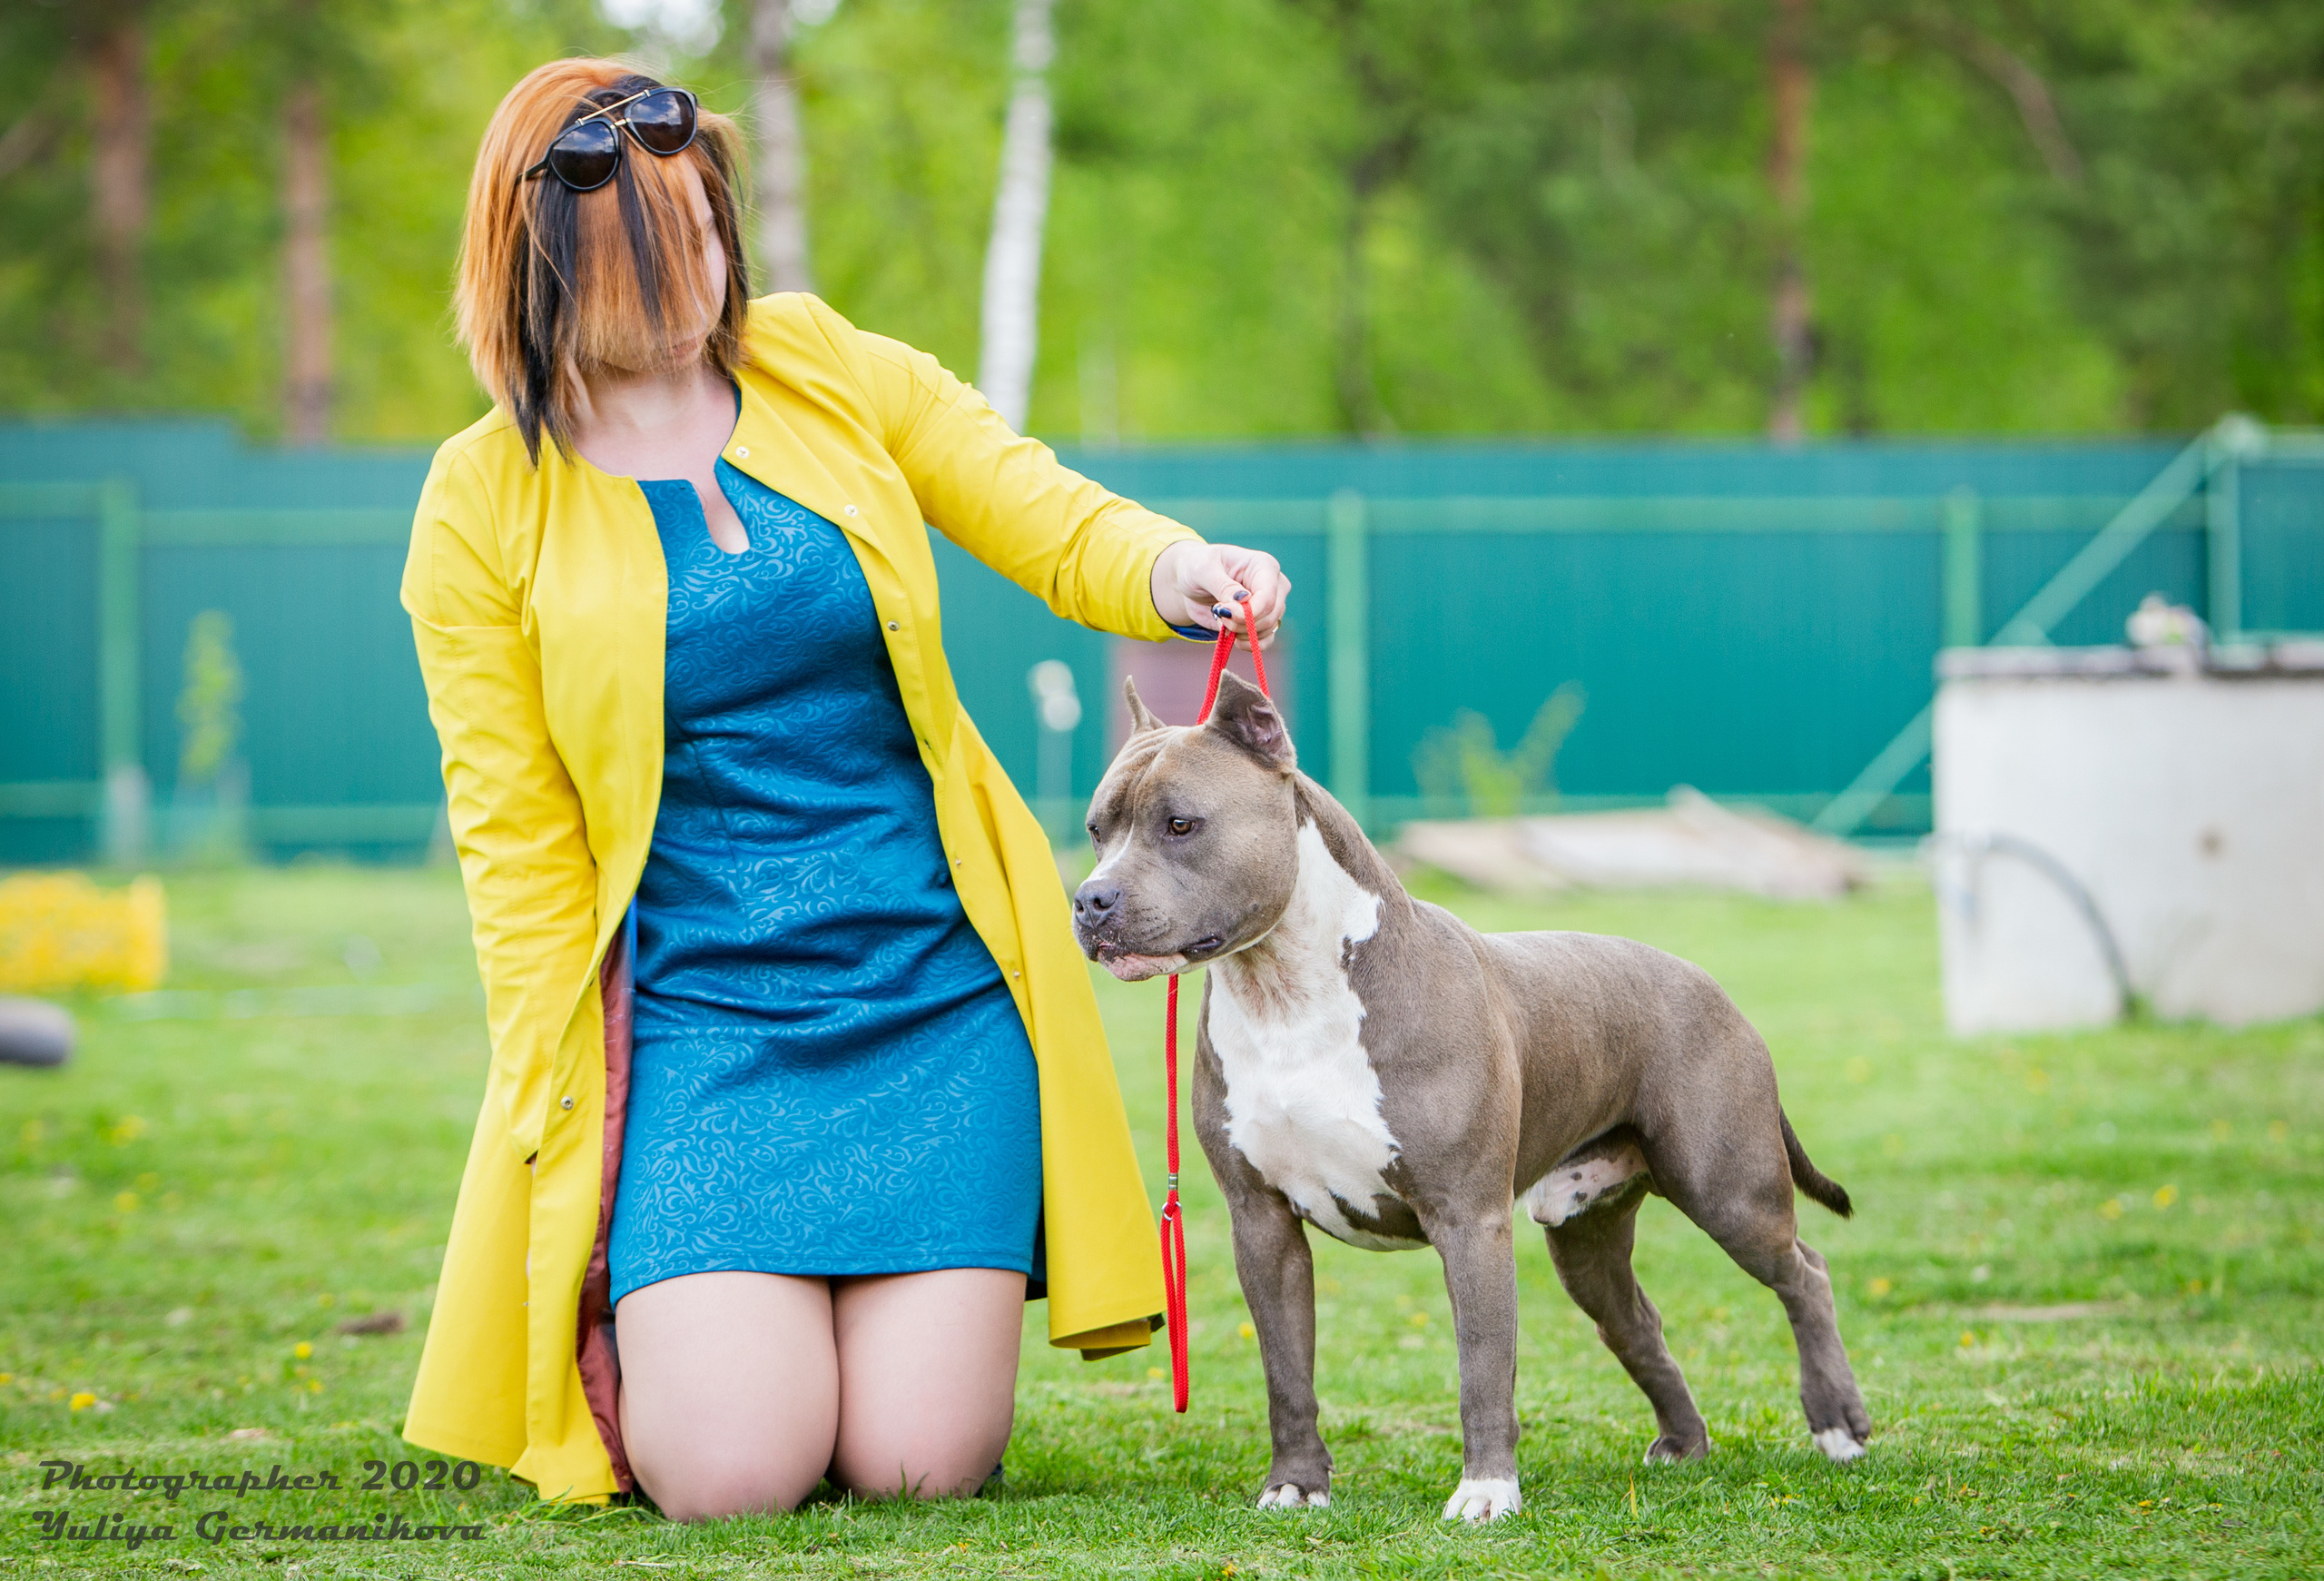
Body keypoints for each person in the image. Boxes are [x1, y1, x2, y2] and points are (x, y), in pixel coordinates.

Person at [396, 57, 1287, 1519]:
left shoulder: (820, 361)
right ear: (544, 270)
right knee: (731, 1479)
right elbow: (515, 842)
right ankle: (673, 1308)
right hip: (703, 1031)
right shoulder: (480, 499)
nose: (695, 276)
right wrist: (558, 1109)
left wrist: (1171, 565)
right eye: (647, 258)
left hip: (935, 996)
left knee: (916, 1466)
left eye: (703, 228)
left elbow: (1032, 499)